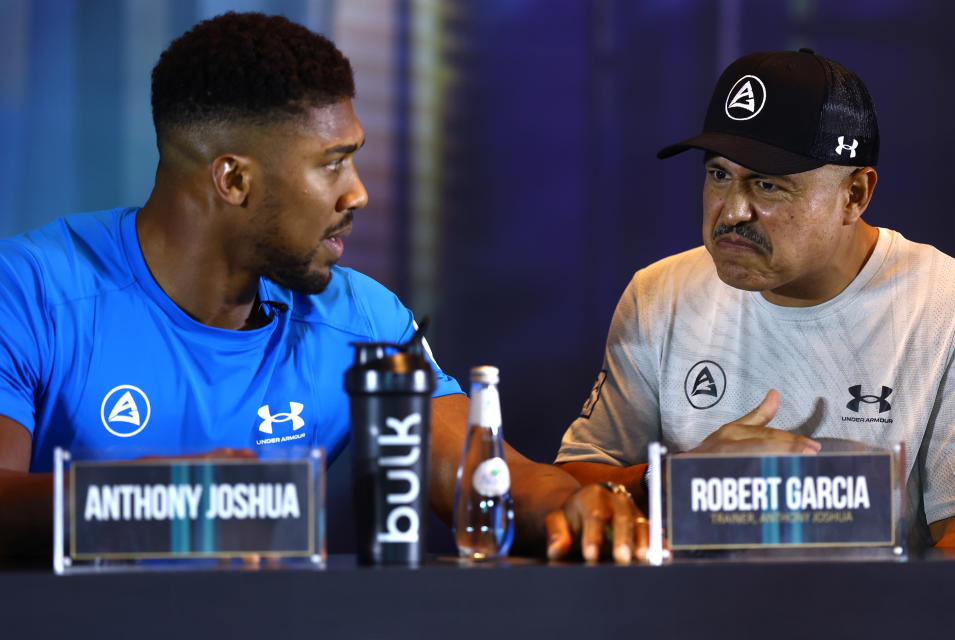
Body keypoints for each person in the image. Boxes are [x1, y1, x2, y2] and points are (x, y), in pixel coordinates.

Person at [0, 11, 630, 562]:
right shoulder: (30, 291)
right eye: (332, 162)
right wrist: (167, 499)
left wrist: (569, 507)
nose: (357, 192)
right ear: (233, 180)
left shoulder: (362, 318)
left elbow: (483, 475)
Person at [555, 49, 955, 551]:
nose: (732, 212)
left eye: (767, 184)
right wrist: (679, 477)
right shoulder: (659, 294)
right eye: (719, 175)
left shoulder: (946, 304)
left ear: (855, 194)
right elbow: (573, 486)